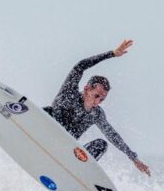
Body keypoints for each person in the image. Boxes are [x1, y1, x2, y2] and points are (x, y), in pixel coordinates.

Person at [44, 39, 150, 176]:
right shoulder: (68, 93)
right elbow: (80, 66)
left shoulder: (96, 114)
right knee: (47, 110)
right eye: (96, 96)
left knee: (101, 144)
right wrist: (111, 54)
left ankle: (76, 172)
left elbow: (112, 135)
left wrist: (133, 158)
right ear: (87, 89)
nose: (98, 102)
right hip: (45, 133)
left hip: (65, 152)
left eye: (102, 99)